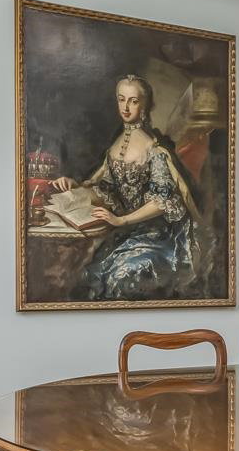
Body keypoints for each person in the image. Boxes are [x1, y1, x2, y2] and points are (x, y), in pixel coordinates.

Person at [50, 75, 206, 301]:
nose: (125, 107)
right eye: (121, 99)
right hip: (128, 230)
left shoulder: (154, 149)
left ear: (145, 105)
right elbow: (105, 186)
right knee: (90, 273)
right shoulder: (116, 144)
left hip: (159, 234)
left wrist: (122, 220)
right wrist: (76, 187)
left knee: (120, 275)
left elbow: (163, 201)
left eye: (133, 101)